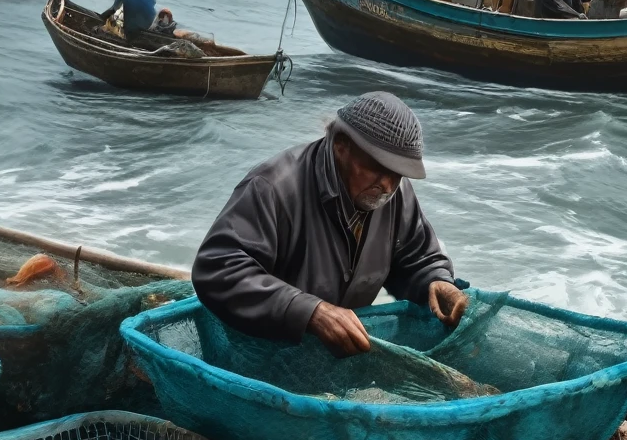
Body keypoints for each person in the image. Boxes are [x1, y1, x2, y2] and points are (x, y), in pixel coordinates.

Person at [194, 91, 467, 355]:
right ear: (341, 146)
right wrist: (310, 312)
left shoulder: (395, 192)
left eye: (397, 174)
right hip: (262, 354)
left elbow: (417, 259)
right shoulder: (272, 187)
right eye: (378, 168)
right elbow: (219, 269)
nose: (387, 185)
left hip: (335, 357)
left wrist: (435, 280)